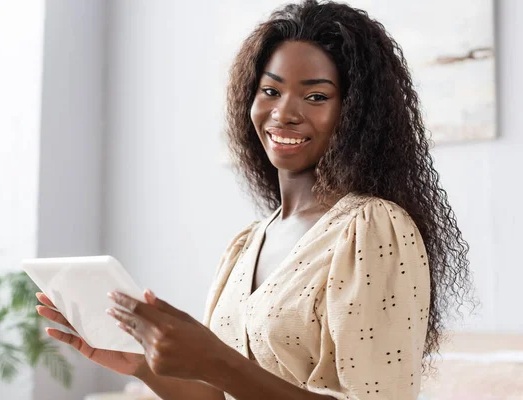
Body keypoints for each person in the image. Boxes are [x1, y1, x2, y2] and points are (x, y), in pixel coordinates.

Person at [36, 1, 472, 399]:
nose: (284, 112)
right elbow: (217, 396)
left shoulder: (373, 228)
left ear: (356, 112)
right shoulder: (247, 244)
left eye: (316, 95)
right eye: (271, 90)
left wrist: (216, 360)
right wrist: (141, 365)